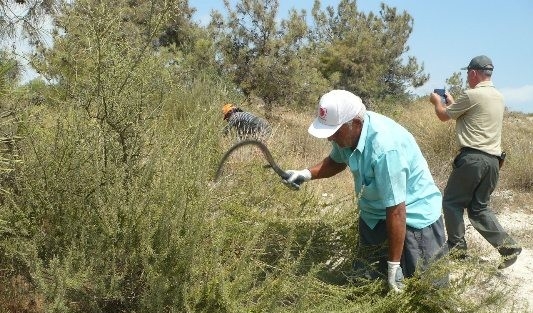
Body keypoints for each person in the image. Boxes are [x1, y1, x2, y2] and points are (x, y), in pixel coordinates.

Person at [284, 90, 447, 292]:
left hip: (414, 219)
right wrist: (305, 174)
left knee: (424, 290)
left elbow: (396, 210)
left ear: (356, 124)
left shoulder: (386, 148)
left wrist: (393, 266)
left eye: (334, 132)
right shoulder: (348, 135)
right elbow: (336, 161)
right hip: (373, 215)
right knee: (366, 286)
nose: (330, 138)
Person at [429, 55, 521, 269]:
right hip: (493, 162)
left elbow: (443, 116)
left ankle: (456, 247)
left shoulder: (472, 95)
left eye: (467, 74)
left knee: (452, 202)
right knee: (479, 208)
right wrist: (453, 103)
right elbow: (470, 116)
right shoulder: (499, 97)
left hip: (473, 159)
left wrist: (437, 102)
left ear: (473, 73)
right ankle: (508, 247)